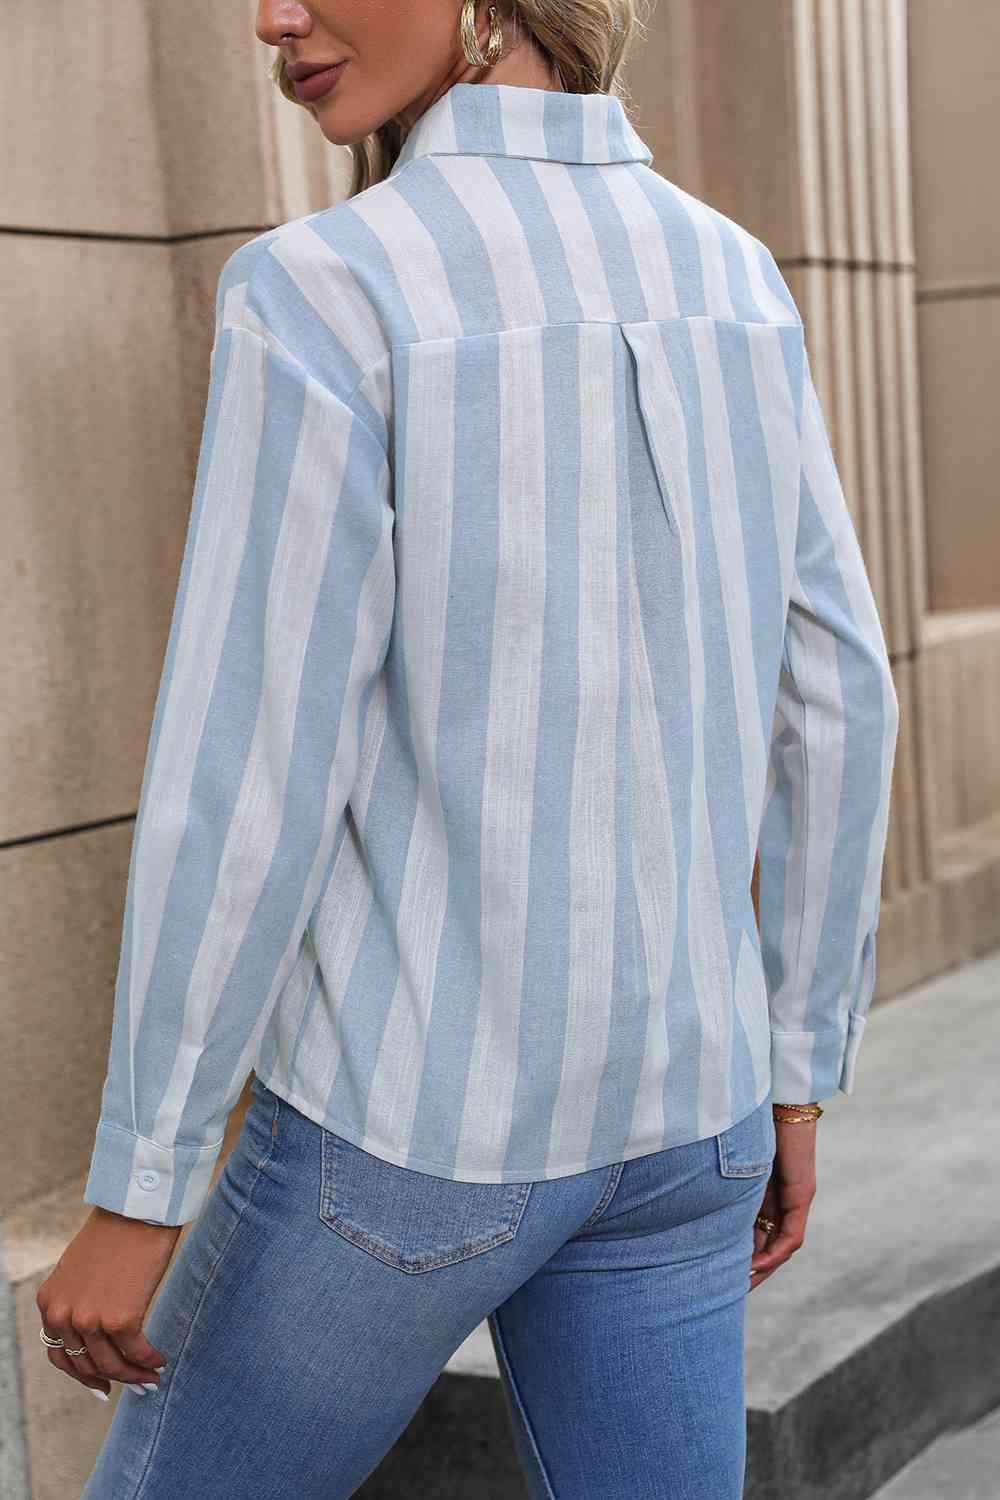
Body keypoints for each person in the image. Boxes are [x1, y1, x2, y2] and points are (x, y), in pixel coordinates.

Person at [39, 3, 899, 1496]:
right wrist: (796, 1066)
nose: (273, 16)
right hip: (690, 1123)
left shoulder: (323, 288)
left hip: (411, 1136)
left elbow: (248, 770)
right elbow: (838, 692)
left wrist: (142, 1183)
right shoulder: (737, 278)